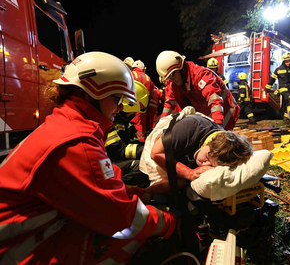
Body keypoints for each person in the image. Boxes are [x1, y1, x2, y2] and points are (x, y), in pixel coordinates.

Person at [0, 52, 176, 264]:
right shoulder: (76, 143)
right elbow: (123, 219)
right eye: (117, 98)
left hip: (25, 231)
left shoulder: (67, 126)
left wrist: (137, 192)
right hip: (15, 248)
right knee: (124, 235)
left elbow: (94, 186)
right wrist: (169, 222)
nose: (120, 107)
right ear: (93, 92)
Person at [140, 110, 253, 195]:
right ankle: (143, 193)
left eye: (210, 164)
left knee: (183, 183)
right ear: (210, 142)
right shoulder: (190, 128)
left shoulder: (221, 150)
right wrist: (189, 173)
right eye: (207, 158)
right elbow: (156, 153)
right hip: (162, 146)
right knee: (174, 180)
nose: (203, 164)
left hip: (183, 150)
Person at [156, 50, 240, 130]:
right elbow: (169, 106)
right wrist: (159, 127)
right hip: (207, 116)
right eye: (169, 78)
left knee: (220, 142)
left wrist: (218, 125)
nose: (172, 80)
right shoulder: (174, 84)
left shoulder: (200, 75)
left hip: (225, 112)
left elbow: (215, 100)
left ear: (180, 67)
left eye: (172, 75)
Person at [105, 80, 151, 188]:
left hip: (112, 160)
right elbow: (117, 150)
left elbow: (128, 142)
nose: (135, 114)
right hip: (108, 163)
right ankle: (119, 191)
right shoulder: (110, 121)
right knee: (142, 166)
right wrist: (147, 150)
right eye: (135, 111)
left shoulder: (122, 121)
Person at [264, 52, 290, 128]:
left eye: (289, 61)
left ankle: (285, 119)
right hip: (283, 89)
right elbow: (272, 79)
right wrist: (267, 89)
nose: (288, 63)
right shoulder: (278, 69)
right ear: (284, 61)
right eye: (286, 61)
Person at [131, 60, 163, 142]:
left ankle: (139, 142)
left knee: (136, 123)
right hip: (143, 105)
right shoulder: (147, 77)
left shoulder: (131, 74)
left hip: (132, 104)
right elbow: (154, 90)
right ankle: (144, 141)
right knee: (143, 124)